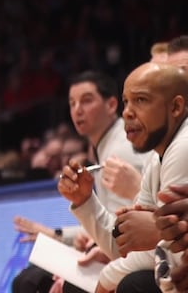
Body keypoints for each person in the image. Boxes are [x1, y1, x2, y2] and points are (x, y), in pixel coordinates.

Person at [11, 70, 147, 293]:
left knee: (31, 282)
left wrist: (91, 248)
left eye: (86, 101)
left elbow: (118, 230)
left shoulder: (120, 151)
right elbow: (108, 223)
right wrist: (57, 235)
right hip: (119, 250)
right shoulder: (108, 145)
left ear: (112, 105)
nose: (77, 110)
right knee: (31, 278)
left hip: (134, 257)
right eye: (72, 103)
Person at [59, 62, 188, 293]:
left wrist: (108, 278)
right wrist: (85, 201)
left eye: (141, 100)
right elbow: (126, 245)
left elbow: (173, 251)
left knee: (133, 285)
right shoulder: (156, 156)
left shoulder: (182, 147)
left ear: (176, 107)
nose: (127, 112)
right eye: (126, 101)